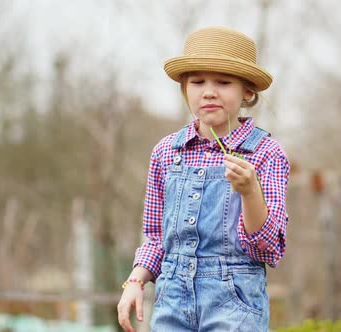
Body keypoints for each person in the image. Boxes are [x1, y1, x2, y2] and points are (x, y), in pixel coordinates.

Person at [117, 26, 290, 332]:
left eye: (223, 82)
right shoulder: (166, 153)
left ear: (247, 91)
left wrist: (250, 192)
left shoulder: (266, 153)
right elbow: (157, 237)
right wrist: (135, 280)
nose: (209, 91)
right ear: (185, 89)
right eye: (197, 82)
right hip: (171, 300)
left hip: (234, 302)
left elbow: (267, 248)